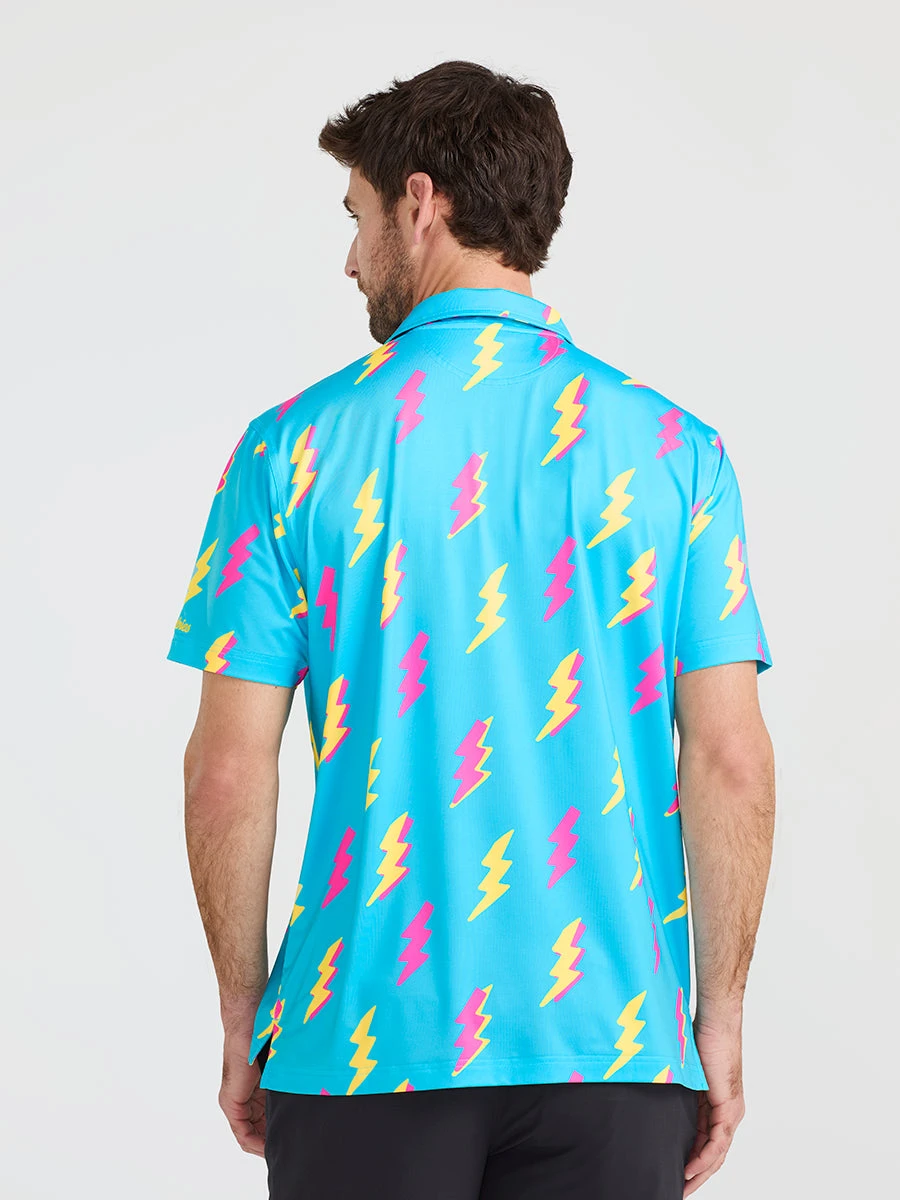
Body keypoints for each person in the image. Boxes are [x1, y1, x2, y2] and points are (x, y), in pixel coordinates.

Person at [166, 59, 776, 1200]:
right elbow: (730, 758)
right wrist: (718, 1019)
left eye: (355, 217)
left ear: (419, 202)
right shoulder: (676, 452)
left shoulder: (290, 449)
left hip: (358, 1040)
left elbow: (227, 771)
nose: (351, 259)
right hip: (616, 1046)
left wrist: (245, 1009)